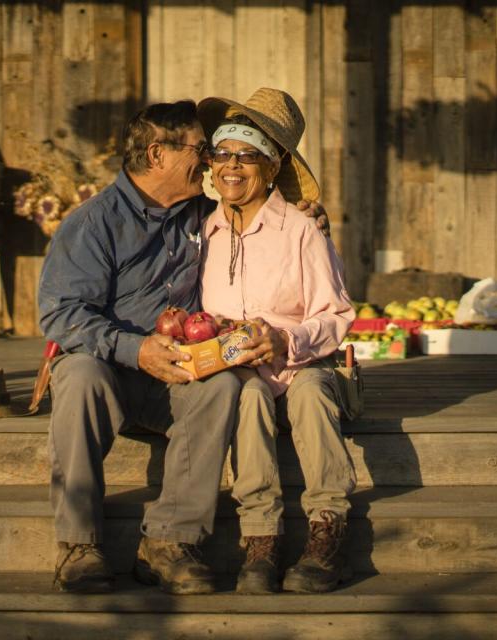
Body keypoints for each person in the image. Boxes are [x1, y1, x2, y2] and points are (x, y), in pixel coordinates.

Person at [38, 101, 238, 595]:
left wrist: (301, 212)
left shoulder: (202, 212)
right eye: (200, 148)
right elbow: (60, 314)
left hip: (173, 375)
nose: (210, 159)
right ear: (157, 154)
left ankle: (168, 544)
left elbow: (258, 214)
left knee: (224, 383)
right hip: (108, 371)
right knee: (80, 375)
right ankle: (77, 544)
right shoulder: (94, 223)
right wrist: (133, 349)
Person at [196, 88, 357, 594]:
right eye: (222, 154)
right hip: (240, 370)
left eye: (248, 156)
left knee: (309, 393)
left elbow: (337, 314)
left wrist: (287, 340)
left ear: (272, 166)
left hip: (302, 362)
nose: (231, 166)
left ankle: (326, 526)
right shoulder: (206, 231)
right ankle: (261, 537)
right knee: (246, 396)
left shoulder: (302, 230)